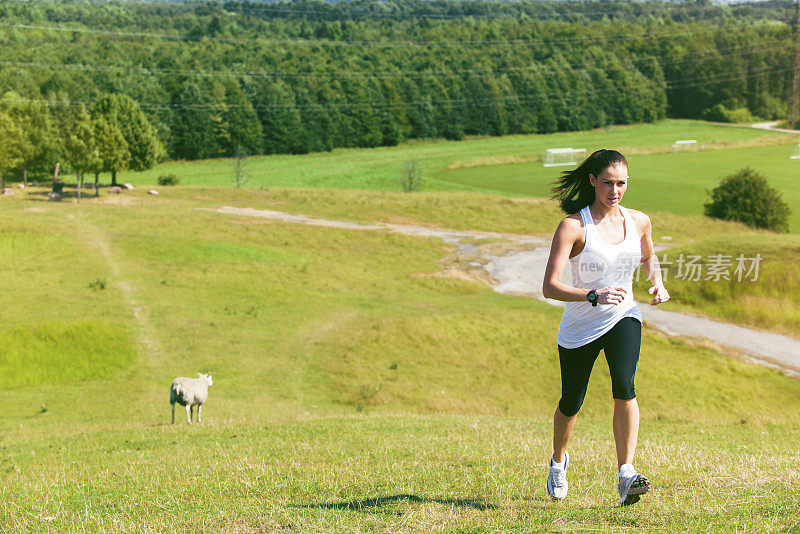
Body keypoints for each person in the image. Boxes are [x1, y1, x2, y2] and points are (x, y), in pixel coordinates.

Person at [541, 149, 670, 506]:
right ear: (593, 180)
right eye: (609, 182)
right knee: (572, 401)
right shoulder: (574, 226)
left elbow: (648, 257)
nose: (615, 190)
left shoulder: (639, 220)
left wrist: (656, 284)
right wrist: (592, 295)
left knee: (625, 386)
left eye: (622, 183)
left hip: (623, 314)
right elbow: (550, 286)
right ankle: (558, 462)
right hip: (580, 326)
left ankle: (626, 473)